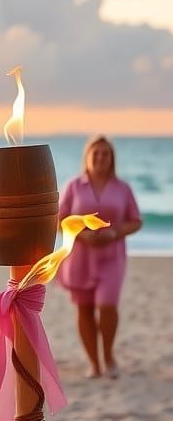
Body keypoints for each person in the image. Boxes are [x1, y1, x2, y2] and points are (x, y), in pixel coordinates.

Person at [58, 135, 142, 378]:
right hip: (80, 257)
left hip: (112, 257)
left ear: (112, 158)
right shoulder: (74, 186)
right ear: (87, 156)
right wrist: (82, 235)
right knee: (83, 309)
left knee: (107, 306)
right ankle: (94, 363)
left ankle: (108, 354)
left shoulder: (122, 188)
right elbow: (58, 220)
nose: (101, 158)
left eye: (105, 154)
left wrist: (115, 232)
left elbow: (136, 221)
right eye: (96, 153)